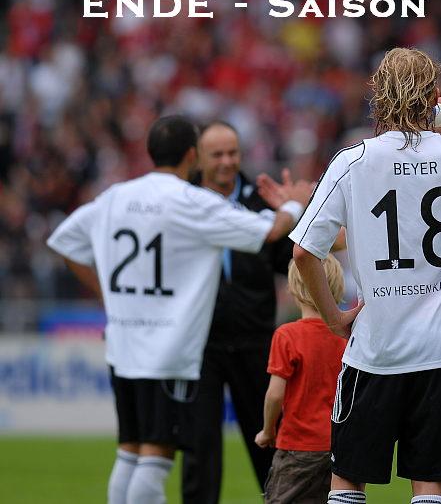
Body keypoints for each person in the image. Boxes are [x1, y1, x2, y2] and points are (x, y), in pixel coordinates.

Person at [289, 47, 441, 504]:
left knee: (348, 480)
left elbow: (304, 252)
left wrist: (334, 318)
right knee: (430, 483)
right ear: (434, 97)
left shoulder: (353, 159)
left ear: (378, 95)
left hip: (375, 349)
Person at [46, 115, 308, 504]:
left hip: (124, 345)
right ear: (192, 155)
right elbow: (268, 230)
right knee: (156, 456)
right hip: (167, 348)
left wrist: (108, 296)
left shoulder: (116, 195)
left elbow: (64, 241)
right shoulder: (190, 200)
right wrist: (295, 204)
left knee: (130, 450)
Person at [181, 121, 311, 504]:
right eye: (217, 154)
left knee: (269, 444)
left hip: (255, 343)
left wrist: (303, 213)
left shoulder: (262, 200)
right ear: (198, 158)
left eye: (232, 153)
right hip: (199, 345)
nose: (226, 161)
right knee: (199, 450)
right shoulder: (182, 201)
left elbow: (292, 259)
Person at [254, 255, 348, 503]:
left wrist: (268, 430)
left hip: (297, 445)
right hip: (339, 446)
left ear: (294, 287)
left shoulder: (287, 335)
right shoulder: (346, 336)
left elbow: (275, 394)